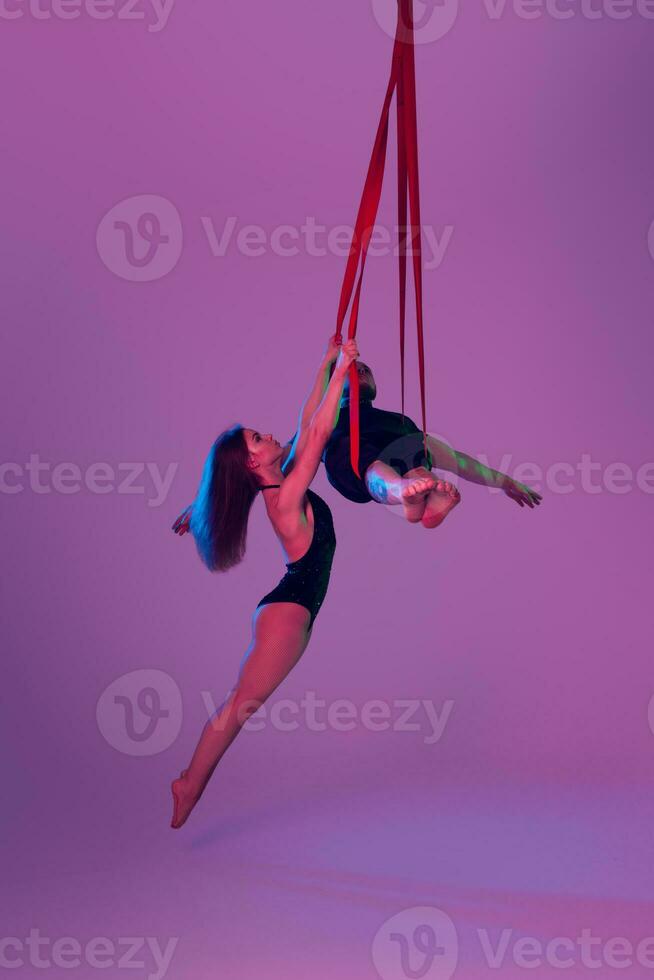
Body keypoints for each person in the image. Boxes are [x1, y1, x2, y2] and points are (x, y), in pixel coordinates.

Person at [170, 335, 359, 830]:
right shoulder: (286, 496)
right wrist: (343, 373)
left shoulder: (284, 479)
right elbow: (317, 434)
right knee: (240, 706)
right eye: (256, 439)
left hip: (289, 608)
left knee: (240, 704)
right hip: (287, 615)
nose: (267, 435)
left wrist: (325, 364)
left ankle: (190, 782)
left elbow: (304, 423)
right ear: (254, 464)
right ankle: (189, 784)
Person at [317, 358, 542, 526]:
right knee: (368, 460)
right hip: (351, 462)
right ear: (332, 384)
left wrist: (502, 481)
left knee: (415, 446)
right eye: (352, 369)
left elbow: (456, 460)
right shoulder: (322, 423)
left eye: (366, 369)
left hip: (396, 462)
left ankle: (425, 500)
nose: (362, 370)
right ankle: (404, 491)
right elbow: (291, 455)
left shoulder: (398, 421)